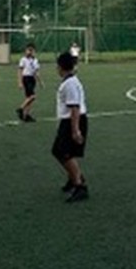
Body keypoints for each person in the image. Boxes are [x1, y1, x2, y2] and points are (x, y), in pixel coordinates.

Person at [53, 50, 89, 202]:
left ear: (61, 67)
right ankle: (73, 177)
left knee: (64, 153)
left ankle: (80, 186)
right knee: (59, 151)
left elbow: (75, 108)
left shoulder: (70, 84)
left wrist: (75, 130)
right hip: (68, 121)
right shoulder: (70, 81)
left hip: (73, 121)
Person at [16, 43, 42, 122]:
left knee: (29, 99)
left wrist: (40, 82)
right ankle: (21, 108)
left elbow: (36, 72)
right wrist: (20, 82)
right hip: (26, 78)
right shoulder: (23, 60)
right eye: (28, 50)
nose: (30, 52)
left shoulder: (35, 60)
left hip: (32, 79)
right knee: (32, 96)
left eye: (32, 50)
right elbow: (20, 71)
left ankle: (26, 115)